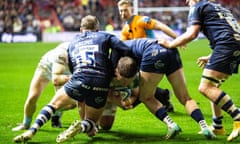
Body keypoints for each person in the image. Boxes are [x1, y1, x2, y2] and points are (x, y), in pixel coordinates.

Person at [55, 38, 216, 143]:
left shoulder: (115, 57)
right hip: (170, 49)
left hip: (152, 53)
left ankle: (172, 124)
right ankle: (204, 126)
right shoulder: (124, 48)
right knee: (185, 97)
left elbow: (128, 82)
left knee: (147, 97)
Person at [13, 15, 138, 143]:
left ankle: (32, 130)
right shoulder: (105, 35)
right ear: (97, 29)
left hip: (80, 77)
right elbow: (125, 49)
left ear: (81, 29)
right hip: (101, 82)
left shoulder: (74, 41)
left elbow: (73, 65)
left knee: (53, 105)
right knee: (91, 123)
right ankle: (82, 126)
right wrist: (113, 69)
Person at [158, 0, 240, 142]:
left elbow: (192, 33)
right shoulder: (219, 7)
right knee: (214, 87)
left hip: (226, 45)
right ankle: (218, 126)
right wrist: (211, 56)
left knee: (205, 87)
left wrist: (171, 43)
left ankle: (238, 117)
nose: (186, 1)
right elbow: (229, 31)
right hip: (233, 44)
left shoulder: (198, 6)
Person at [117, 0, 175, 112]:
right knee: (139, 83)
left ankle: (163, 97)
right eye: (121, 11)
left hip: (154, 55)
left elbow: (160, 25)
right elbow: (123, 48)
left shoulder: (141, 20)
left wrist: (176, 38)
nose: (123, 13)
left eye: (125, 10)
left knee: (142, 86)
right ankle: (164, 97)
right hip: (141, 58)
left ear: (132, 10)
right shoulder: (125, 29)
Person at [12, 42, 75, 131]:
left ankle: (55, 114)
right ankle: (26, 124)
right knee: (32, 97)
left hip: (66, 72)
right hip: (46, 67)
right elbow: (56, 80)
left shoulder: (82, 53)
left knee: (71, 104)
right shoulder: (63, 52)